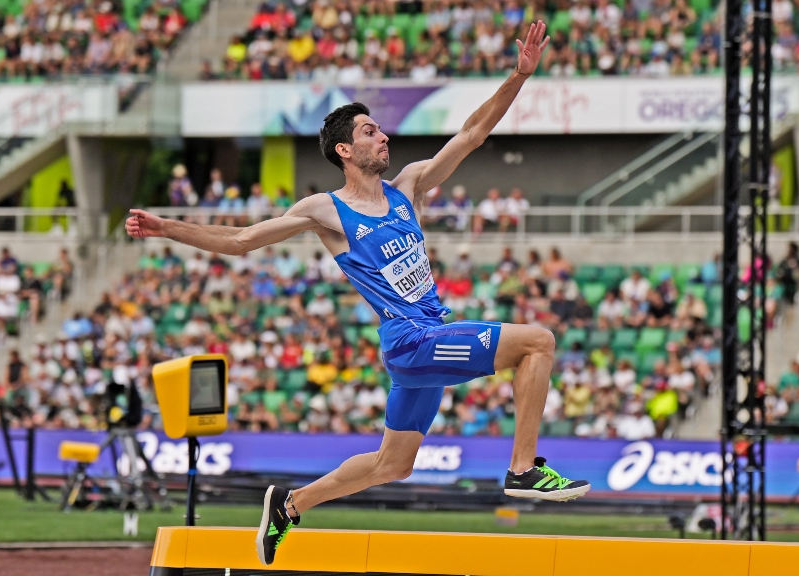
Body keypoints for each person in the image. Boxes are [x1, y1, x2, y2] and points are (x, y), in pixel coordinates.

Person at [124, 21, 588, 566]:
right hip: (412, 341)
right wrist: (168, 227)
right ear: (345, 149)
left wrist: (518, 76)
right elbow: (242, 240)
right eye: (370, 131)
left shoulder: (409, 186)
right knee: (538, 341)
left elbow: (471, 134)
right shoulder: (326, 210)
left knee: (394, 464)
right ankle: (523, 469)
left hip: (426, 338)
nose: (383, 136)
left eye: (381, 130)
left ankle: (289, 505)